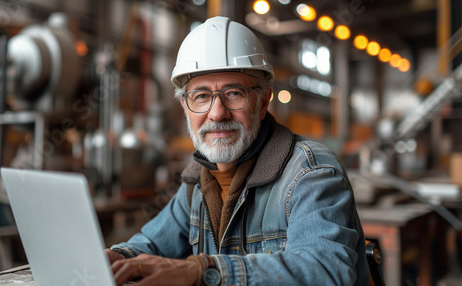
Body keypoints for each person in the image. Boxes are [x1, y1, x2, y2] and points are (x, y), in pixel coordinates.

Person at [105, 16, 370, 286]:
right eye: (201, 96)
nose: (217, 113)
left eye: (234, 93)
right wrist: (114, 258)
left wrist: (202, 270)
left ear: (263, 102)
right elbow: (152, 243)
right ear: (185, 108)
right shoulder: (198, 180)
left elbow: (326, 272)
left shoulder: (310, 173)